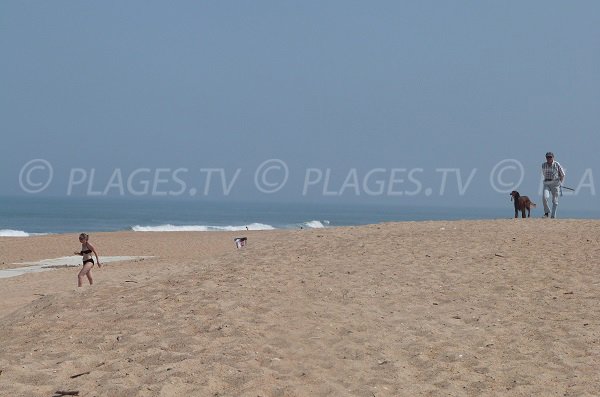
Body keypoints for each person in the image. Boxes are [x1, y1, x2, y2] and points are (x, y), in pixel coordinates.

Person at [541, 152, 565, 218]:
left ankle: (553, 216)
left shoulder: (557, 164)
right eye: (547, 157)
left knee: (555, 200)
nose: (549, 158)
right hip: (547, 183)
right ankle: (546, 212)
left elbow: (562, 174)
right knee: (545, 197)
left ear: (553, 157)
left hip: (555, 183)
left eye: (550, 157)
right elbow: (544, 174)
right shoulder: (543, 165)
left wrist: (560, 183)